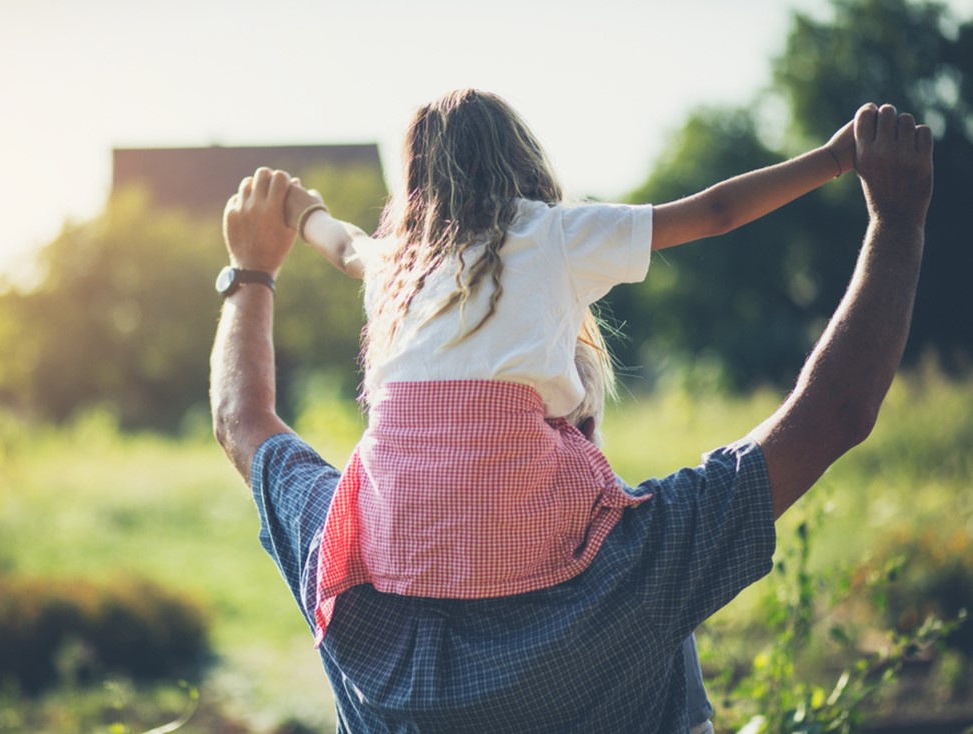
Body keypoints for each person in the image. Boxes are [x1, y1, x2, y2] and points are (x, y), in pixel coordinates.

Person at [210, 102, 932, 732]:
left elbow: (245, 419)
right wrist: (873, 195)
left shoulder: (344, 569)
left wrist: (263, 255)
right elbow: (831, 403)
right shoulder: (639, 565)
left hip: (390, 571)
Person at [281, 89, 857, 648]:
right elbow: (717, 212)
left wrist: (303, 211)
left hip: (398, 537)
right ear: (519, 157)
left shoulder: (397, 262)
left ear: (414, 180)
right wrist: (833, 159)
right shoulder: (549, 231)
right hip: (518, 530)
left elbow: (344, 244)